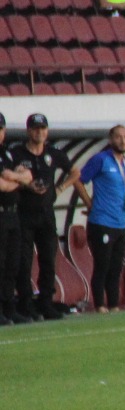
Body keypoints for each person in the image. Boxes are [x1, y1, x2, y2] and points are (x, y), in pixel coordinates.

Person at [8, 114, 78, 320]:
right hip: (23, 213)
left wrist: (60, 188)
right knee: (24, 260)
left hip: (46, 214)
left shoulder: (54, 153)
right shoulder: (16, 153)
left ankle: (46, 302)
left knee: (49, 258)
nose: (39, 132)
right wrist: (25, 183)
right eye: (36, 128)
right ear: (29, 131)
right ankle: (25, 303)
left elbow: (75, 172)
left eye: (43, 128)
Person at [78, 124, 125, 312]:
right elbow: (78, 179)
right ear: (110, 140)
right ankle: (100, 306)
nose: (122, 140)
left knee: (116, 268)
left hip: (120, 222)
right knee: (102, 266)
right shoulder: (100, 159)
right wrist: (88, 202)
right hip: (101, 222)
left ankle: (113, 305)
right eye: (118, 137)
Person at [0, 112, 36, 325]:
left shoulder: (8, 153)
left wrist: (12, 176)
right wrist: (18, 180)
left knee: (14, 263)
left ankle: (8, 307)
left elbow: (28, 176)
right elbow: (2, 185)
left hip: (13, 213)